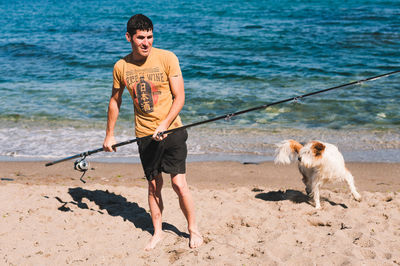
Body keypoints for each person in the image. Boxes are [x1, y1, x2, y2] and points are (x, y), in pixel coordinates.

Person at [103, 14, 203, 250]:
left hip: (173, 130)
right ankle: (158, 232)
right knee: (153, 185)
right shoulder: (121, 66)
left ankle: (193, 230)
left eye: (149, 37)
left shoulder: (167, 58)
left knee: (179, 184)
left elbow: (180, 97)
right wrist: (109, 134)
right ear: (129, 37)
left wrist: (165, 124)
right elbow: (115, 102)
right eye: (140, 38)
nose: (146, 42)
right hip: (145, 135)